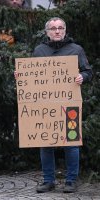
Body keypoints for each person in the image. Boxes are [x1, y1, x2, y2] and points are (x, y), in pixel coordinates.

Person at [33, 17, 93, 193]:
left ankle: (71, 181)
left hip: (69, 105)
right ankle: (48, 180)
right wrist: (21, 77)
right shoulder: (39, 50)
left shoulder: (76, 49)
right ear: (47, 32)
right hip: (45, 105)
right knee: (45, 143)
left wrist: (83, 77)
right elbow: (32, 76)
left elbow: (88, 71)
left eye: (60, 28)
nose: (57, 31)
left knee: (71, 142)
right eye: (53, 29)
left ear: (65, 30)